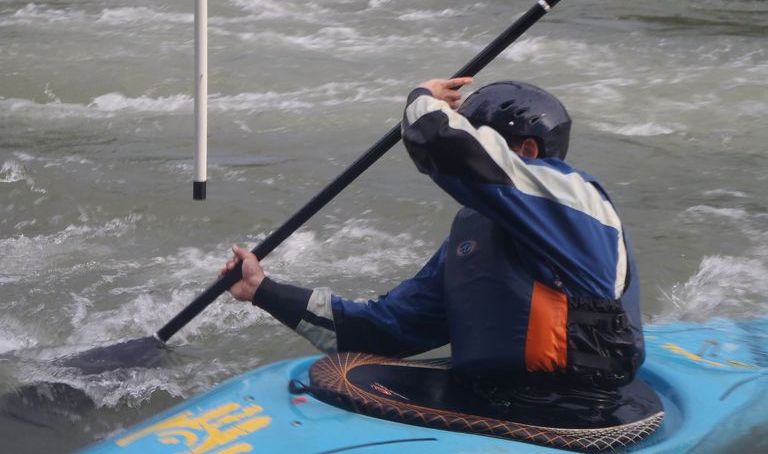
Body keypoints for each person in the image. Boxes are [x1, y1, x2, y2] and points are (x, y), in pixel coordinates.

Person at [221, 77, 644, 389]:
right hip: (495, 402)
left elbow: (441, 142)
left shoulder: (576, 200)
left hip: (583, 406)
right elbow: (379, 332)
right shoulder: (475, 235)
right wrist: (264, 290)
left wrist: (423, 99)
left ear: (528, 151)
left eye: (484, 137)